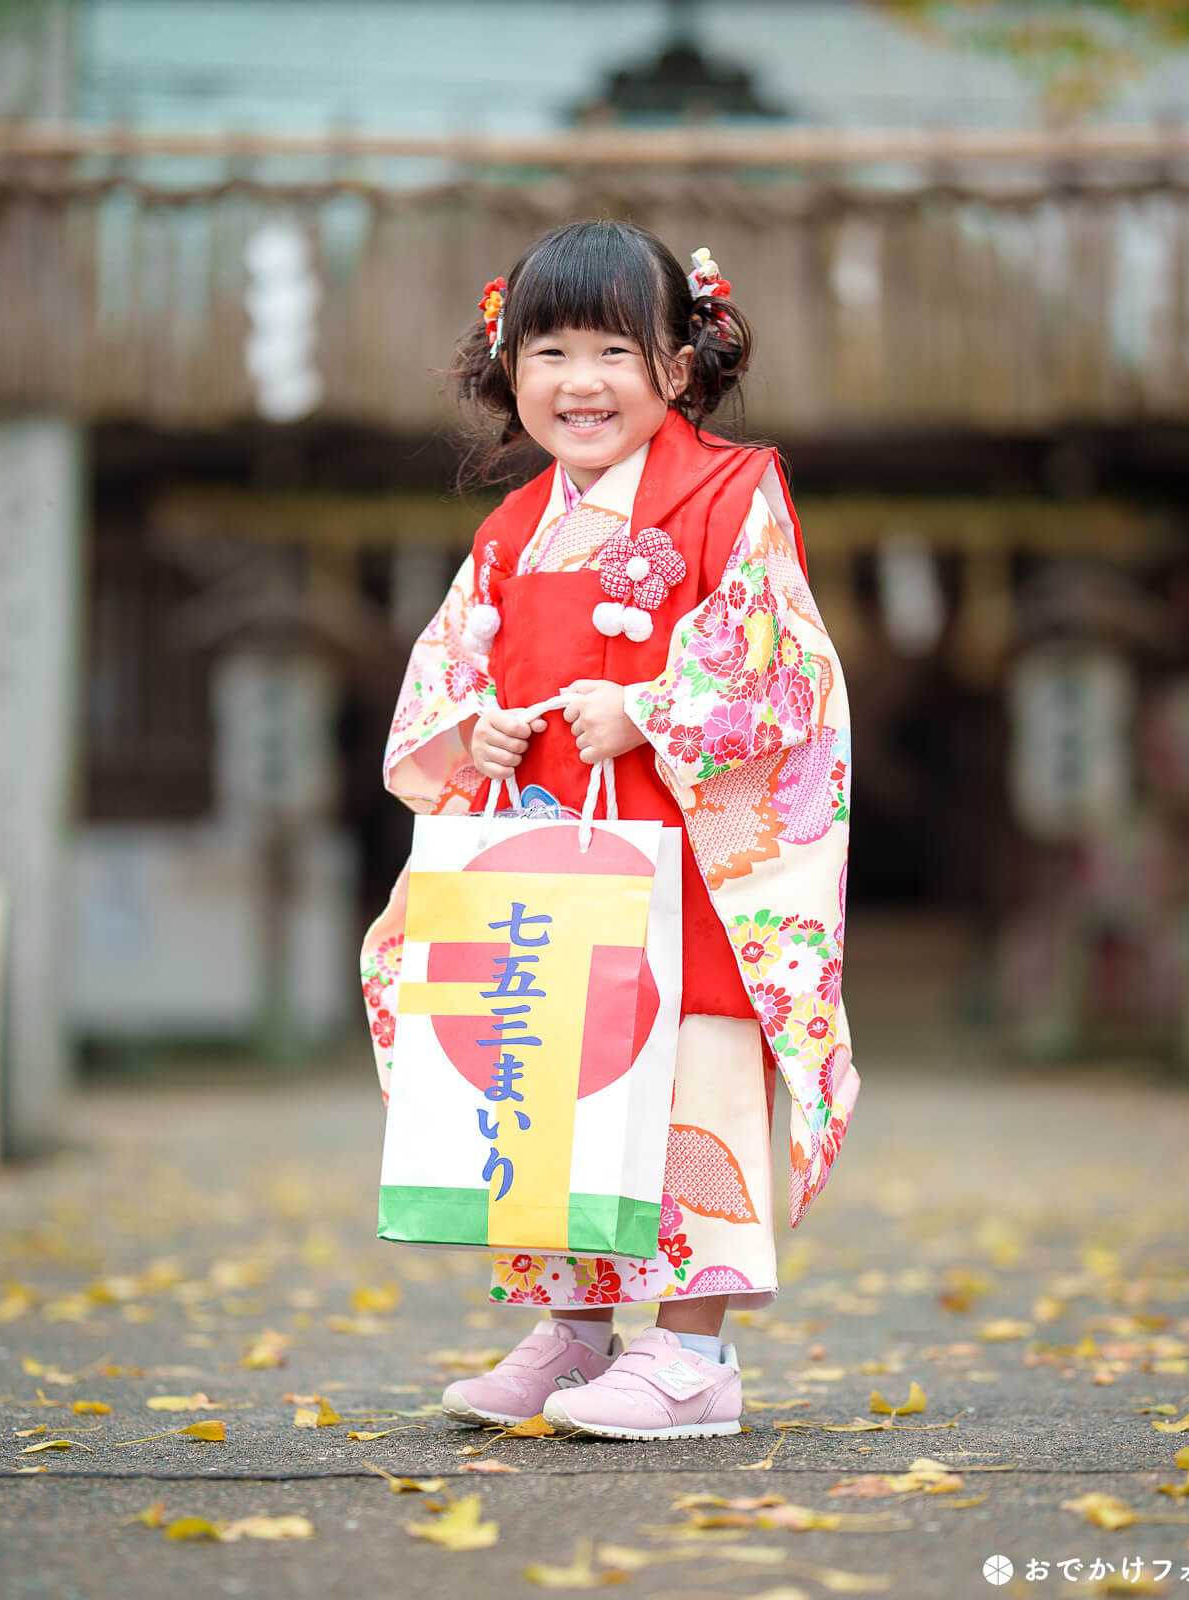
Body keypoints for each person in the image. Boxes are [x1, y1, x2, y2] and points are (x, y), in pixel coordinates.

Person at [361, 219, 858, 1441]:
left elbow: (783, 662)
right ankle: (572, 1330)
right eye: (548, 352)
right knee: (551, 1074)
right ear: (507, 366)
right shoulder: (508, 530)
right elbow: (446, 676)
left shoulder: (730, 491)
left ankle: (691, 1355)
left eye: (611, 351)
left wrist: (649, 704)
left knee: (684, 1080)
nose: (578, 383)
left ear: (677, 368)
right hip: (547, 851)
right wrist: (469, 729)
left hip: (684, 858)